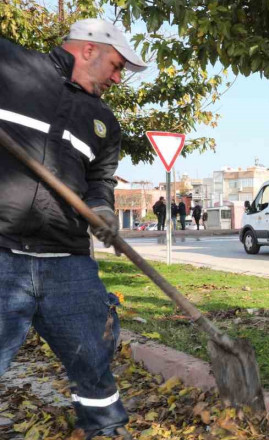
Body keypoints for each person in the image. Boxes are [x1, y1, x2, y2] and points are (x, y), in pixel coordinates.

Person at [0, 18, 147, 439]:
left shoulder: (104, 121)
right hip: (3, 252)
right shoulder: (11, 66)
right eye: (116, 66)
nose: (118, 78)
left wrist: (101, 211)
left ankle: (104, 428)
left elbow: (99, 179)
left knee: (93, 356)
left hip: (67, 261)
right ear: (87, 50)